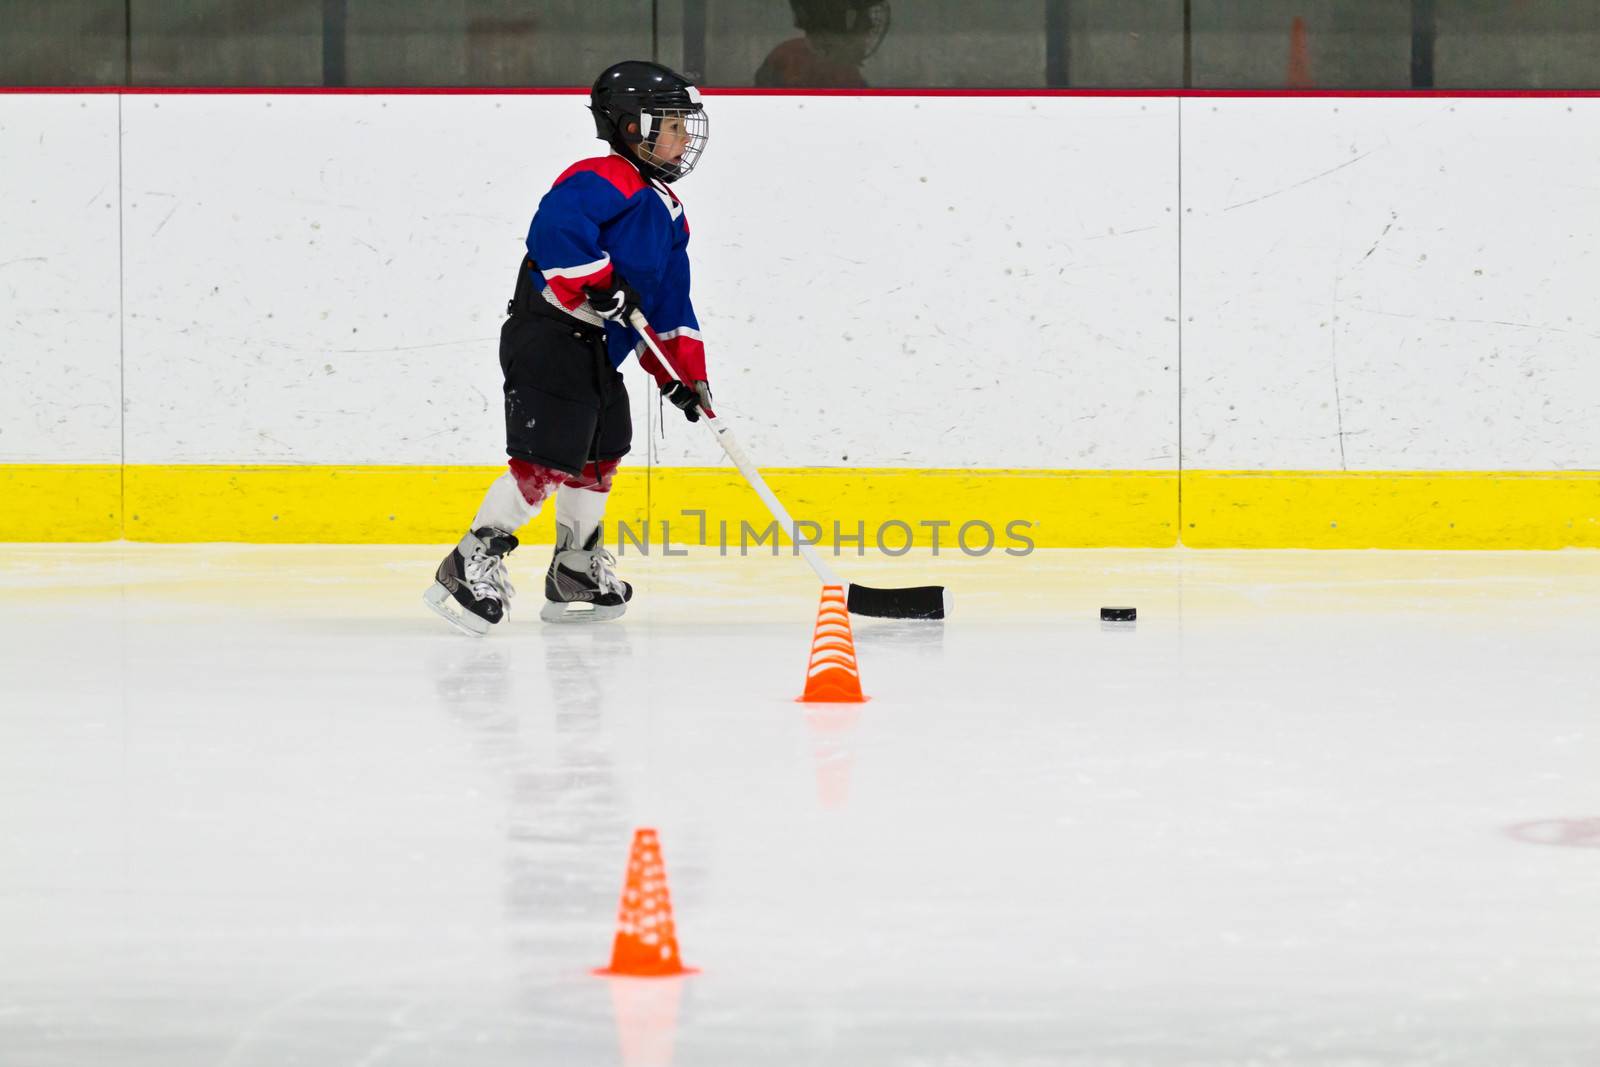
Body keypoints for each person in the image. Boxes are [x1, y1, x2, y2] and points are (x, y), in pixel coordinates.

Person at [426, 60, 712, 635]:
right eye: (675, 126)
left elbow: (670, 306)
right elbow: (555, 233)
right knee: (545, 460)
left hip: (598, 349)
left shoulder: (670, 214)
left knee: (601, 453)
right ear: (634, 127)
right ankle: (467, 564)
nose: (685, 139)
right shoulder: (601, 176)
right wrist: (599, 282)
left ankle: (575, 569)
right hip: (550, 336)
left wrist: (682, 374)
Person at [755, 0, 890, 89]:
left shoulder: (846, 71)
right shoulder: (785, 61)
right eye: (860, 17)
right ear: (833, 19)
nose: (870, 25)